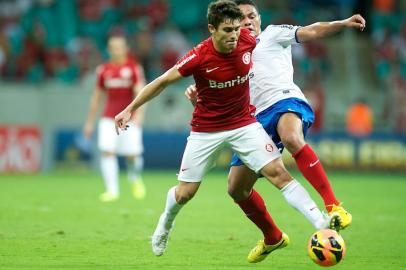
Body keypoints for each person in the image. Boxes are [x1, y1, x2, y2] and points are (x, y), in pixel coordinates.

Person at [115, 1, 333, 263]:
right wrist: (130, 108)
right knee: (186, 193)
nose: (234, 36)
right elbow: (161, 82)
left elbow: (303, 34)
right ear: (212, 29)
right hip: (206, 130)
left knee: (278, 173)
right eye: (228, 30)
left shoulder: (248, 40)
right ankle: (165, 222)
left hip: (243, 124)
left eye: (237, 29)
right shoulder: (198, 56)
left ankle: (322, 224)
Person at [186, 0, 365, 231]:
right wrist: (197, 98)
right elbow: (217, 101)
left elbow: (310, 30)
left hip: (284, 101)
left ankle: (333, 205)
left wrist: (342, 23)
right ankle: (273, 237)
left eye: (252, 15)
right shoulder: (227, 55)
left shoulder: (273, 34)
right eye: (241, 18)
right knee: (236, 188)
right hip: (251, 122)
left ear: (260, 19)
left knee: (291, 137)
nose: (248, 20)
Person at [83, 36, 146, 202]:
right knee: (107, 151)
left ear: (126, 48)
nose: (117, 50)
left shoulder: (134, 68)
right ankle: (112, 190)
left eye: (120, 47)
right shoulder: (103, 70)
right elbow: (97, 97)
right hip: (108, 118)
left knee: (132, 155)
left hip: (128, 119)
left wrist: (139, 116)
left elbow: (141, 94)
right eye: (113, 47)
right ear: (109, 50)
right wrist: (89, 123)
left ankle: (135, 178)